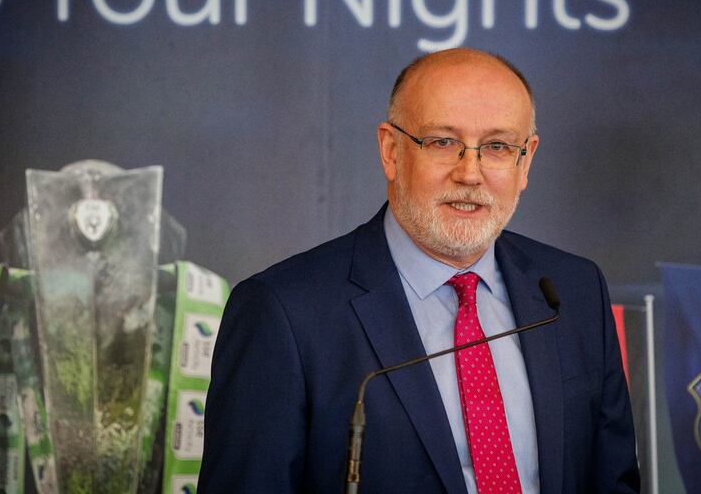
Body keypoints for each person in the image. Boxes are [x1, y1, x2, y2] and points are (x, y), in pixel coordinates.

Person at [198, 48, 640, 493]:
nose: (471, 173)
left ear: (525, 162)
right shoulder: (283, 312)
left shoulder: (573, 291)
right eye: (443, 142)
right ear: (391, 151)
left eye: (498, 147)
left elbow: (614, 481)